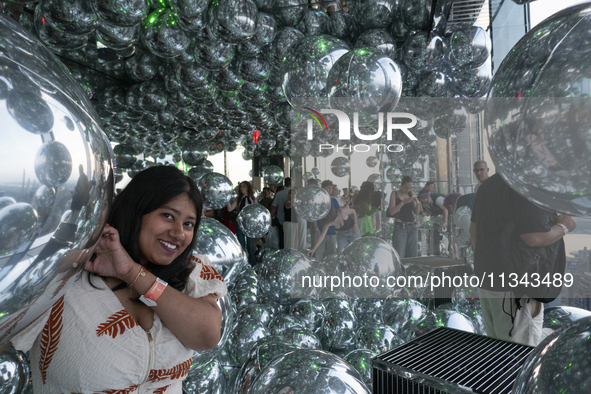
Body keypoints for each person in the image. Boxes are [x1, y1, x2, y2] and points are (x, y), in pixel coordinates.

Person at [6, 166, 226, 393]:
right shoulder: (66, 276)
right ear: (135, 211)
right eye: (168, 216)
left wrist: (130, 272)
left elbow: (206, 336)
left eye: (188, 224)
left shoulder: (191, 271)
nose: (179, 233)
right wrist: (62, 257)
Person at [470, 173, 575, 346]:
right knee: (519, 356)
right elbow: (534, 237)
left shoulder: (488, 185)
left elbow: (473, 231)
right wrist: (564, 227)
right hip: (517, 288)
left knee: (497, 348)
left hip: (488, 281)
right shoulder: (527, 185)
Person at [388, 176, 421, 258]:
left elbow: (416, 212)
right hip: (400, 227)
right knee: (400, 254)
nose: (408, 190)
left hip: (412, 226)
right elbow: (391, 212)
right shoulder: (394, 194)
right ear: (401, 185)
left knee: (413, 255)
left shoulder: (411, 194)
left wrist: (418, 203)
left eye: (410, 188)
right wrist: (403, 202)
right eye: (406, 187)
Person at [227, 181, 258, 266]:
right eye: (240, 187)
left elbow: (258, 211)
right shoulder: (238, 199)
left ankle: (252, 265)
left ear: (248, 187)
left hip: (250, 224)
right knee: (241, 245)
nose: (241, 188)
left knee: (250, 246)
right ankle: (242, 264)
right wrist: (227, 200)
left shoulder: (253, 199)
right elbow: (230, 209)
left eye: (243, 186)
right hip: (239, 223)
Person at [314, 180, 341, 260]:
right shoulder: (318, 200)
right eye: (328, 188)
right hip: (320, 229)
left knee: (331, 255)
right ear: (323, 188)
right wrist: (316, 228)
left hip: (332, 231)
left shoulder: (334, 200)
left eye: (331, 188)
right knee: (319, 253)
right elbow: (314, 215)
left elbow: (338, 215)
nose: (330, 190)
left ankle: (330, 271)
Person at [270, 178, 292, 249]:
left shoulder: (279, 194)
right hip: (291, 221)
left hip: (280, 220)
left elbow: (274, 207)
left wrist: (270, 218)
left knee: (282, 239)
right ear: (291, 184)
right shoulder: (295, 193)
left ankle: (282, 254)